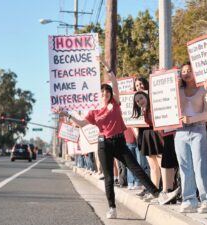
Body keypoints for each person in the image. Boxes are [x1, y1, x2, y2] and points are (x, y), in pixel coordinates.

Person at [55, 61, 159, 219]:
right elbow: (82, 123)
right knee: (109, 177)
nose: (105, 95)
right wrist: (66, 114)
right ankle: (112, 207)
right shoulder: (94, 111)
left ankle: (157, 193)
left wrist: (106, 67)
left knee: (136, 168)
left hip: (119, 142)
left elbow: (115, 83)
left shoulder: (115, 103)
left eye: (107, 92)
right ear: (98, 95)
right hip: (104, 144)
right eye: (102, 93)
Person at [174, 61, 207, 213]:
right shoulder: (177, 90)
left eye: (189, 70)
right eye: (183, 71)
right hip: (180, 132)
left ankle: (206, 200)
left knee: (200, 166)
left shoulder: (203, 90)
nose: (186, 73)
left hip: (198, 130)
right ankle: (189, 200)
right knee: (184, 167)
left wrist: (192, 119)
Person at [132, 91, 179, 204]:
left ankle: (166, 189)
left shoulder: (154, 108)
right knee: (153, 166)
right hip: (147, 137)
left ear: (147, 96)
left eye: (141, 98)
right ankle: (156, 191)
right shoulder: (143, 111)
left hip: (158, 136)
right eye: (137, 101)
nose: (140, 102)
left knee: (163, 163)